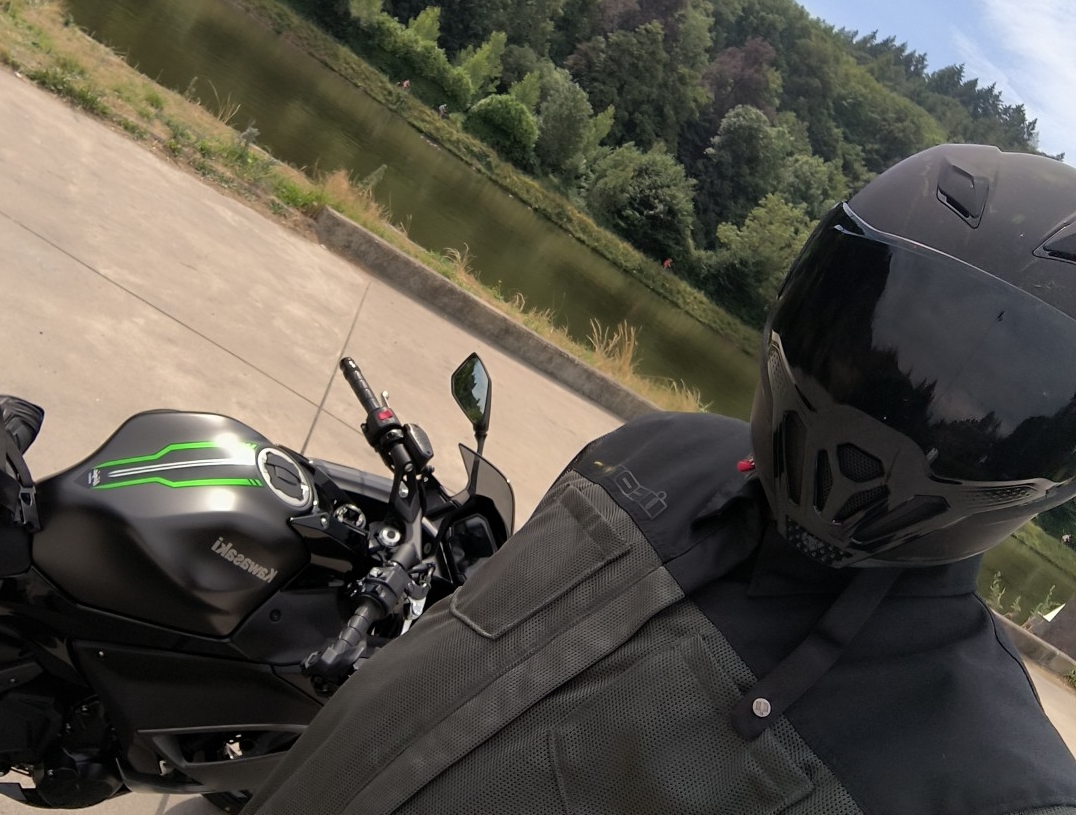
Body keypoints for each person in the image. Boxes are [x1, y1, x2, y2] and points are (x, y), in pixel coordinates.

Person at [246, 143, 1076, 815]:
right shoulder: (656, 453)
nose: (871, 439)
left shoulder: (1000, 790)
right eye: (869, 352)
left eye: (981, 414)